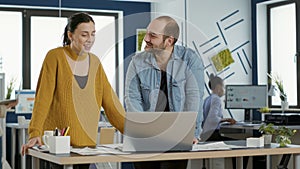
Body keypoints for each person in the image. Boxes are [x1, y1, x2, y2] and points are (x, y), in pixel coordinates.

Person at [21, 12, 125, 169]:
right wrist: (35, 133)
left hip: (86, 147)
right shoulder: (55, 57)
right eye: (84, 35)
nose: (90, 39)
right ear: (70, 35)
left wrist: (134, 132)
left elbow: (111, 104)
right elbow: (43, 99)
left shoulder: (95, 62)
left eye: (93, 34)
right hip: (57, 146)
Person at [125, 16, 204, 169]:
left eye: (152, 35)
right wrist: (142, 131)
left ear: (169, 41)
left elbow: (195, 97)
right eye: (147, 33)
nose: (146, 39)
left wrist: (191, 133)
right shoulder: (137, 61)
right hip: (146, 136)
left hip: (177, 136)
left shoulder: (190, 59)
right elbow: (132, 98)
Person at [201, 73, 236, 141]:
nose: (224, 90)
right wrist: (227, 119)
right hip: (213, 133)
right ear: (218, 87)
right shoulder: (216, 99)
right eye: (223, 87)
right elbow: (212, 118)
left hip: (206, 133)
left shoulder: (207, 99)